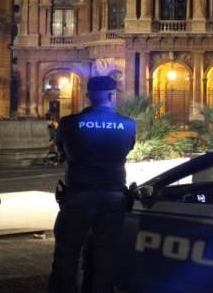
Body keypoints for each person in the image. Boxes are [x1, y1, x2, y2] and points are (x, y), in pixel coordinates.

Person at [49, 76, 136, 293]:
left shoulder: (68, 123)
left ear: (88, 95)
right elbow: (127, 150)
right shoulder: (128, 124)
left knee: (66, 255)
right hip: (113, 197)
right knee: (107, 257)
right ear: (112, 95)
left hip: (77, 196)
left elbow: (61, 152)